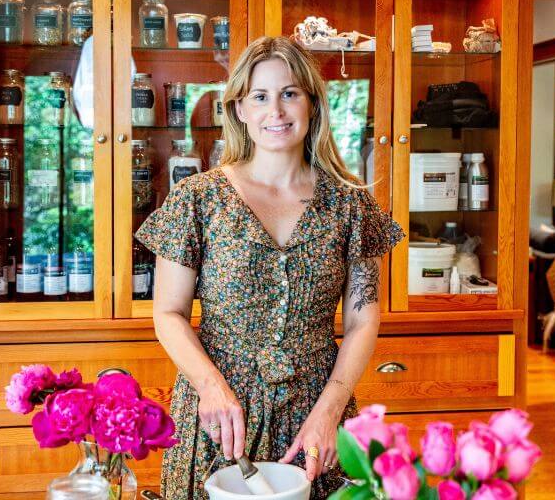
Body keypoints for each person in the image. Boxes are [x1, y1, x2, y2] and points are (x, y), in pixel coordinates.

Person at [135, 36, 404, 499]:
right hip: (221, 414)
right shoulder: (196, 199)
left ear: (312, 103)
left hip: (316, 408)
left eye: (290, 94)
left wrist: (331, 410)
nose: (275, 112)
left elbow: (363, 318)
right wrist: (212, 390)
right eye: (260, 96)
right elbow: (169, 313)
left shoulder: (352, 204)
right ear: (239, 108)